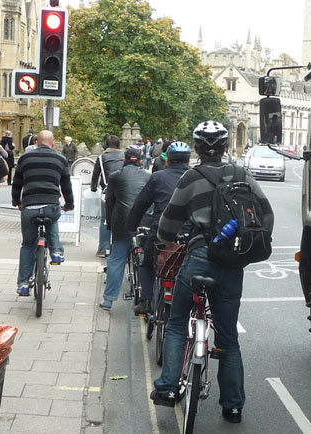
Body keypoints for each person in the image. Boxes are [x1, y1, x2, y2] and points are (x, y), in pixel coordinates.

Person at [150, 121, 274, 424]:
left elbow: (169, 223)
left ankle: (167, 387)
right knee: (229, 338)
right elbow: (266, 214)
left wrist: (163, 240)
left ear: (196, 149)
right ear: (225, 146)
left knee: (178, 323)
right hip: (231, 262)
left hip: (199, 257)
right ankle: (232, 406)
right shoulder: (242, 174)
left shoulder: (191, 177)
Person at [126, 141, 192, 315]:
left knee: (147, 264)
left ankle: (146, 301)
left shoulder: (158, 177)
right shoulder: (196, 177)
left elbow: (140, 205)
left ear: (168, 160)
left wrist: (131, 227)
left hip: (161, 233)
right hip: (190, 235)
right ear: (189, 159)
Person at [11, 130, 74, 296]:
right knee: (52, 218)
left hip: (29, 206)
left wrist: (16, 202)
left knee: (28, 244)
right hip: (51, 205)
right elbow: (66, 186)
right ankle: (56, 252)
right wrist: (69, 204)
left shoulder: (25, 158)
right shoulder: (60, 159)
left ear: (36, 143)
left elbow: (17, 183)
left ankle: (24, 284)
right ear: (53, 144)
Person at [99, 146, 150, 311]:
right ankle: (147, 297)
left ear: (124, 161)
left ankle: (108, 300)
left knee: (116, 259)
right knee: (147, 261)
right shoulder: (149, 177)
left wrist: (109, 222)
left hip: (122, 223)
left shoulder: (115, 177)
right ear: (141, 162)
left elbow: (109, 202)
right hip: (143, 223)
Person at [90, 135, 125, 257]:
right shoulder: (124, 156)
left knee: (105, 220)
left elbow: (95, 174)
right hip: (123, 192)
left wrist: (93, 187)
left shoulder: (101, 157)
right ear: (118, 145)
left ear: (106, 145)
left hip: (107, 192)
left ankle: (103, 249)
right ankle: (119, 247)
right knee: (122, 220)